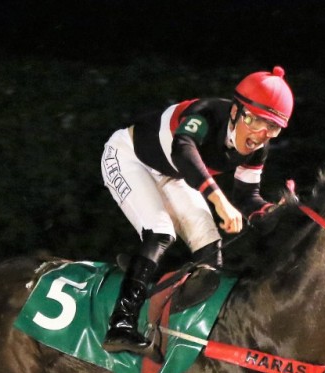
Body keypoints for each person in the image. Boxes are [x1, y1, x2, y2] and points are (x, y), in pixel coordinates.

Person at [99, 66, 294, 356]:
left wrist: (271, 212)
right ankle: (121, 325)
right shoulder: (207, 113)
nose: (260, 134)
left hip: (173, 175)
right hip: (129, 157)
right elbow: (183, 149)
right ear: (235, 112)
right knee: (160, 232)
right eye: (253, 120)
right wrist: (218, 199)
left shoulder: (258, 150)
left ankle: (194, 331)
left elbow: (247, 195)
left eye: (272, 127)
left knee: (210, 247)